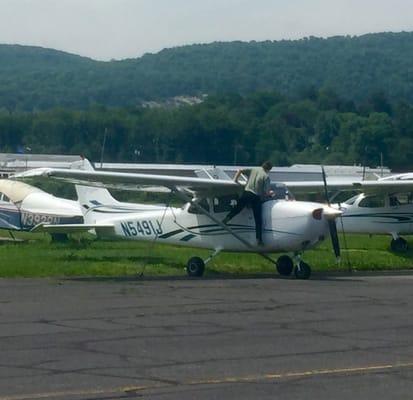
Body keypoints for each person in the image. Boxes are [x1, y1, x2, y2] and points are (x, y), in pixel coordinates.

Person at [222, 161, 273, 245]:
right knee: (258, 219)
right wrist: (271, 193)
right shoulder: (266, 177)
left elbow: (240, 170)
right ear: (269, 169)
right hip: (256, 197)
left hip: (247, 192)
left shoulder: (253, 169)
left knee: (238, 208)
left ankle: (227, 218)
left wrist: (235, 180)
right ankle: (259, 239)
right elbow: (266, 192)